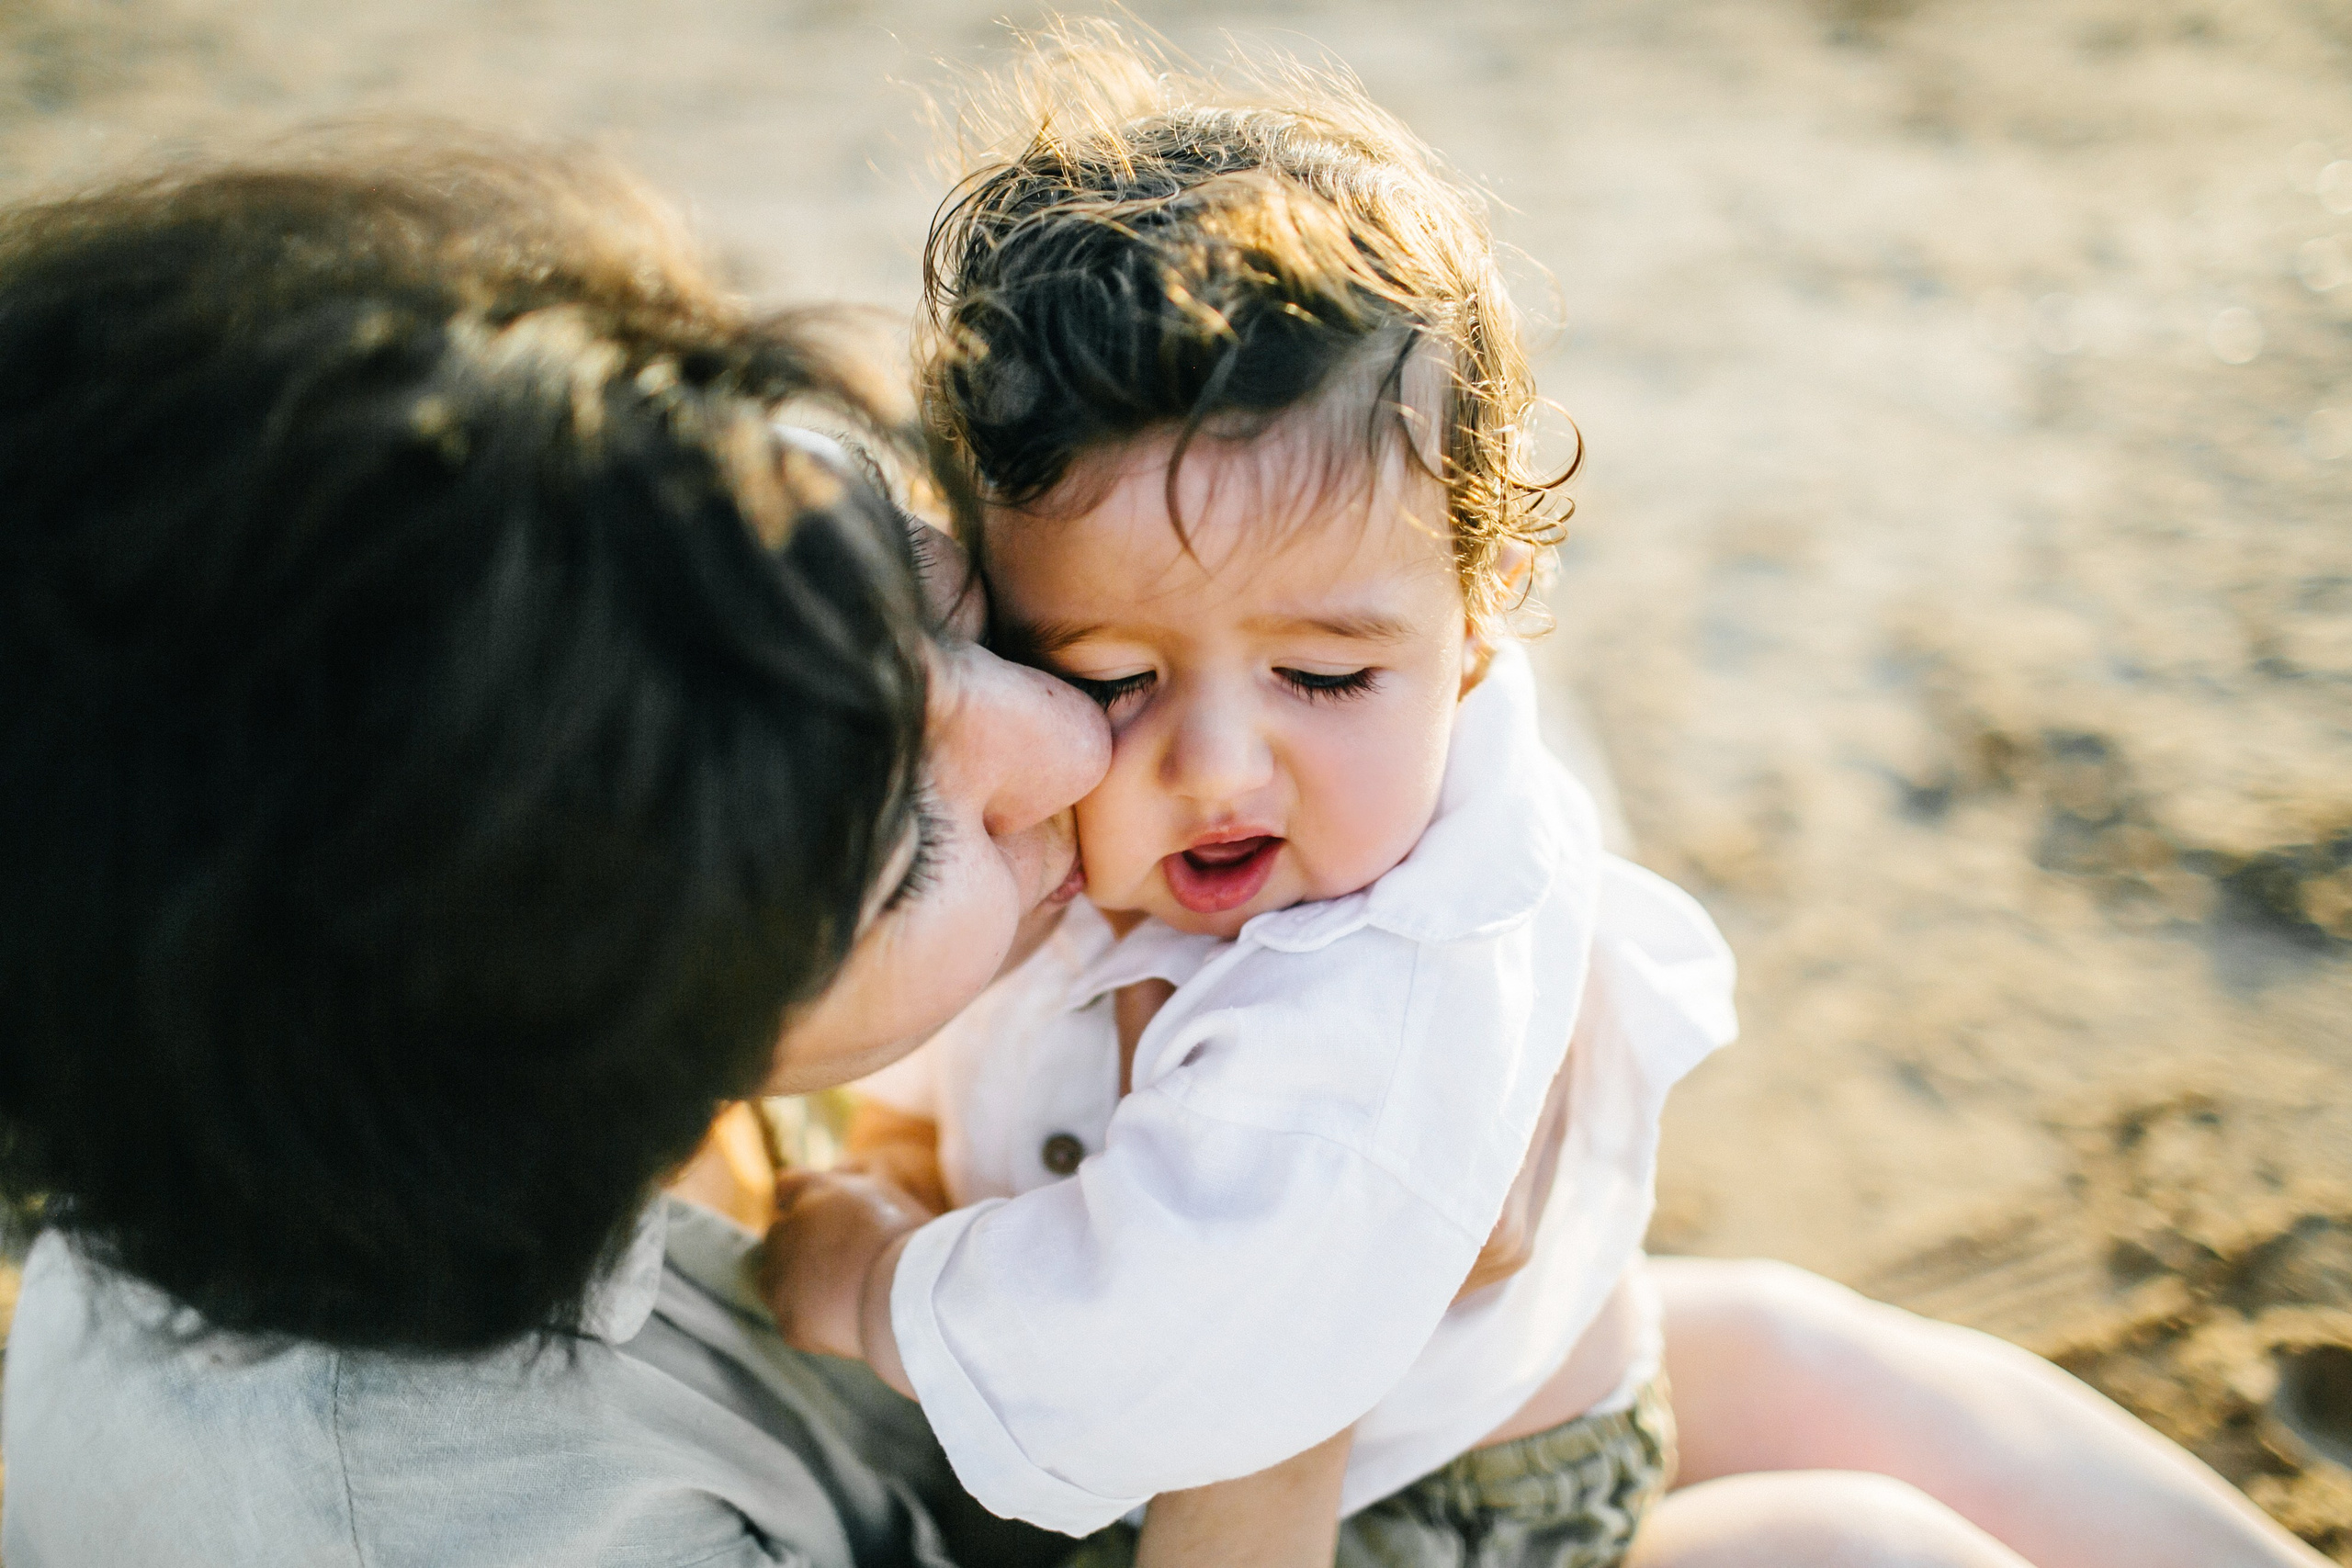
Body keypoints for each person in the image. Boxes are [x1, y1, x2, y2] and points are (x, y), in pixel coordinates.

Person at [0, 123, 2322, 1568]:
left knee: (1801, 1357)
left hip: (1083, 1382)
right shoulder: (435, 1528)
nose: (1053, 744)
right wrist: (1285, 1356)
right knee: (1839, 1543)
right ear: (587, 1039)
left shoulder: (348, 988)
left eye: (944, 612)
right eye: (908, 833)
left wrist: (1429, 1020)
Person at [758, 31, 2336, 1568]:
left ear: (1484, 619)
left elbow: (1186, 1358)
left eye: (1321, 680)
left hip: (1419, 1513)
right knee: (1804, 1377)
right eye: (1114, 676)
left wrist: (867, 1276)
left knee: (1848, 1523)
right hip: (1476, 1388)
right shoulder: (1340, 658)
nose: (1222, 766)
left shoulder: (1363, 1006)